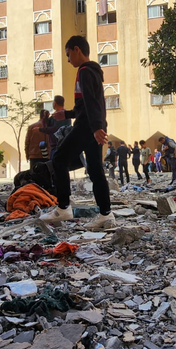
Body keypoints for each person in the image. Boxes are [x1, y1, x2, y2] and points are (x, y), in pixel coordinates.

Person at [41, 35, 114, 230]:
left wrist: (96, 127)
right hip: (91, 125)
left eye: (68, 55)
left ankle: (63, 208)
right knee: (96, 170)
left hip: (86, 126)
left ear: (76, 50)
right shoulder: (93, 72)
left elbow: (91, 101)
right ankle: (106, 214)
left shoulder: (84, 71)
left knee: (59, 160)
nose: (68, 59)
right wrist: (68, 113)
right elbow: (87, 105)